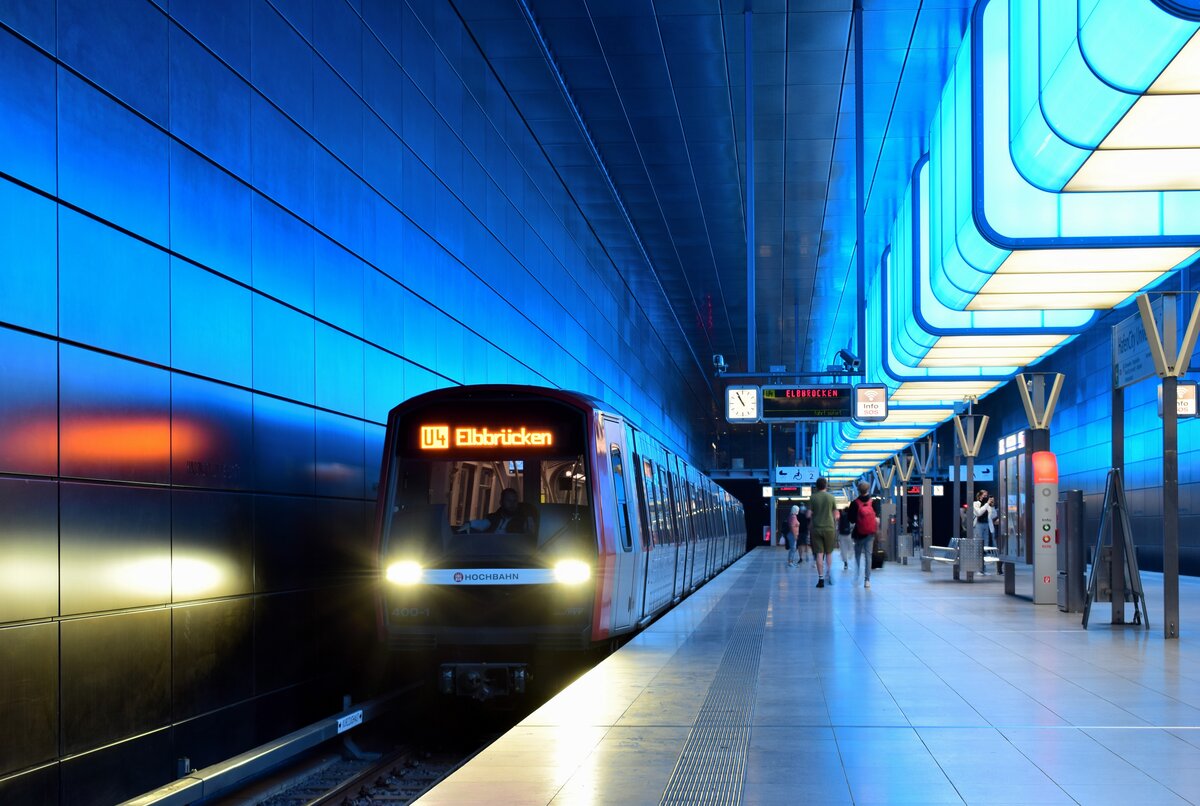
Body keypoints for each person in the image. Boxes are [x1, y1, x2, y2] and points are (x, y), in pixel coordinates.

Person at [458, 488, 537, 534]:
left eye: (514, 501)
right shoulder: (495, 518)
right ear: (501, 502)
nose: (512, 504)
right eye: (508, 501)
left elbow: (530, 532)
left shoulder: (523, 520)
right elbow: (483, 524)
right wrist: (469, 524)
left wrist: (529, 521)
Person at [847, 480, 879, 588]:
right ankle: (867, 580)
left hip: (858, 533)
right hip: (870, 533)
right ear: (868, 489)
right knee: (868, 556)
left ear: (858, 490)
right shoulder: (873, 502)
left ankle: (857, 575)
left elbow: (851, 520)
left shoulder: (854, 503)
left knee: (857, 555)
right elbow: (877, 518)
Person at [808, 477, 837, 588]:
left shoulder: (813, 498)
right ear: (826, 485)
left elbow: (808, 514)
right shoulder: (831, 497)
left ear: (817, 486)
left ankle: (820, 579)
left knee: (819, 554)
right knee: (828, 553)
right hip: (829, 528)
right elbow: (836, 514)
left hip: (816, 528)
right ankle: (828, 574)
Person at [973, 489, 996, 573]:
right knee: (978, 546)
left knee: (985, 547)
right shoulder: (975, 504)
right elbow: (978, 513)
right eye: (984, 495)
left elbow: (993, 515)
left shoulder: (988, 505)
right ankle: (978, 568)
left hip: (987, 525)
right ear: (980, 496)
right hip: (978, 525)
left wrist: (992, 506)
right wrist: (987, 504)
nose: (986, 497)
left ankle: (983, 568)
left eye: (987, 495)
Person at [837, 506, 853, 570]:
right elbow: (852, 525)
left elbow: (838, 527)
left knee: (843, 549)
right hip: (848, 534)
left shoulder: (841, 517)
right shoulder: (850, 516)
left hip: (841, 534)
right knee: (850, 547)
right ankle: (850, 556)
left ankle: (845, 562)